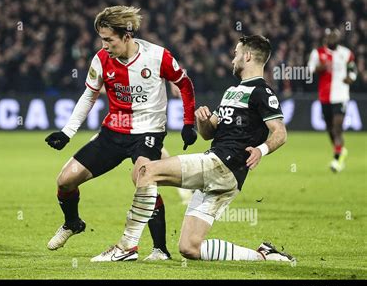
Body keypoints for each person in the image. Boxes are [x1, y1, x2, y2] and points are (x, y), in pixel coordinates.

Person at [91, 35, 295, 263]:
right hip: (224, 173)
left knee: (145, 172)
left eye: (236, 54)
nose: (233, 59)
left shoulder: (261, 91)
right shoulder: (232, 92)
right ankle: (264, 256)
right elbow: (209, 133)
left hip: (223, 165)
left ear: (247, 56)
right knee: (190, 248)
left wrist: (261, 150)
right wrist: (203, 120)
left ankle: (127, 246)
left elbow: (280, 132)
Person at [45, 6, 197, 261]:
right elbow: (89, 95)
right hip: (113, 132)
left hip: (148, 132)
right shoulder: (101, 60)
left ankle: (158, 249)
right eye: (101, 39)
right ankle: (72, 223)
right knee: (65, 180)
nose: (104, 45)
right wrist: (67, 132)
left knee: (143, 179)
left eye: (108, 39)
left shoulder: (158, 56)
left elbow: (184, 84)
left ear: (126, 36)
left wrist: (188, 122)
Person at [308, 28, 358, 172]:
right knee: (330, 128)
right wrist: (320, 67)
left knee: (337, 127)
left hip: (341, 95)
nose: (332, 39)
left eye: (334, 36)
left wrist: (351, 78)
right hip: (324, 96)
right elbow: (310, 69)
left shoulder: (346, 53)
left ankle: (336, 160)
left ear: (338, 38)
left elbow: (353, 70)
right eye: (330, 36)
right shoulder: (317, 53)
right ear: (326, 38)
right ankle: (340, 150)